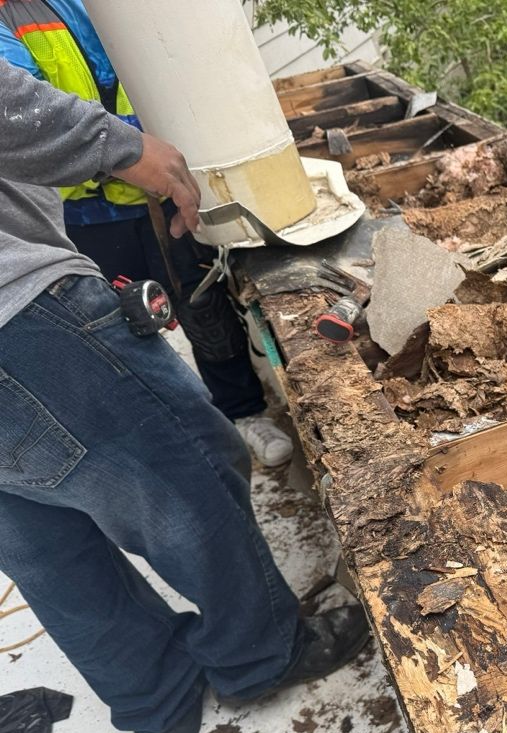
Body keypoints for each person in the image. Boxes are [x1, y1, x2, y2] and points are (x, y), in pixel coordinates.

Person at [0, 58, 371, 733]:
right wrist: (128, 148)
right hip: (18, 319)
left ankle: (156, 702)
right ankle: (260, 655)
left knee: (43, 540)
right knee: (188, 463)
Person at [0, 0, 294, 467]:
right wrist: (127, 151)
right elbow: (28, 121)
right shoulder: (9, 17)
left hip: (171, 197)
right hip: (88, 217)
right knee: (122, 328)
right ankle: (166, 433)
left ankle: (244, 413)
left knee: (205, 309)